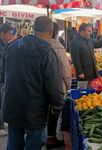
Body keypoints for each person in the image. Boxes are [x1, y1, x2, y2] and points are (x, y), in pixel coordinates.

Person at [2, 16, 64, 150]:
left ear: (34, 29)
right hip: (35, 109)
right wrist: (58, 105)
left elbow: (3, 75)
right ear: (50, 32)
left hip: (12, 104)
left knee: (14, 141)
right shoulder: (48, 52)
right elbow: (54, 85)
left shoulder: (12, 46)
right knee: (34, 143)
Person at [47, 22, 71, 149]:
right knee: (54, 112)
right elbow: (66, 70)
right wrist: (68, 86)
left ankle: (45, 136)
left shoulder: (32, 45)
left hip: (36, 88)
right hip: (55, 86)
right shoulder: (58, 47)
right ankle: (51, 137)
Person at [70, 23, 102, 89]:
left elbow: (98, 44)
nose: (90, 33)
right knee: (82, 91)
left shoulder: (89, 40)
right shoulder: (75, 42)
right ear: (82, 32)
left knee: (91, 91)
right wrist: (80, 72)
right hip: (83, 73)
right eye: (88, 31)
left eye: (90, 31)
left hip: (92, 71)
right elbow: (75, 59)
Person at [0, 23, 14, 136]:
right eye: (9, 34)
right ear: (2, 33)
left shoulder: (5, 45)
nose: (11, 37)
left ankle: (0, 123)